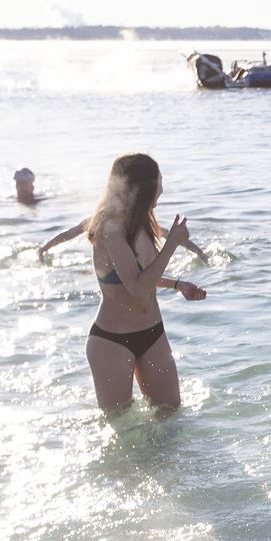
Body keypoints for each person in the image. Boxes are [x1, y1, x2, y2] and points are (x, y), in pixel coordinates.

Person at [85, 153, 207, 414]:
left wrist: (177, 285)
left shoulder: (142, 223)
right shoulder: (111, 229)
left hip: (153, 333)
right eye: (158, 182)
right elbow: (137, 287)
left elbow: (141, 277)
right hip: (112, 341)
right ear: (142, 187)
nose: (161, 188)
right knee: (122, 427)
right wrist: (172, 243)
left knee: (171, 416)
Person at [38, 217, 209, 265]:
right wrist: (44, 248)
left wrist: (200, 252)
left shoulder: (139, 222)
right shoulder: (97, 219)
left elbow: (169, 236)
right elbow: (69, 234)